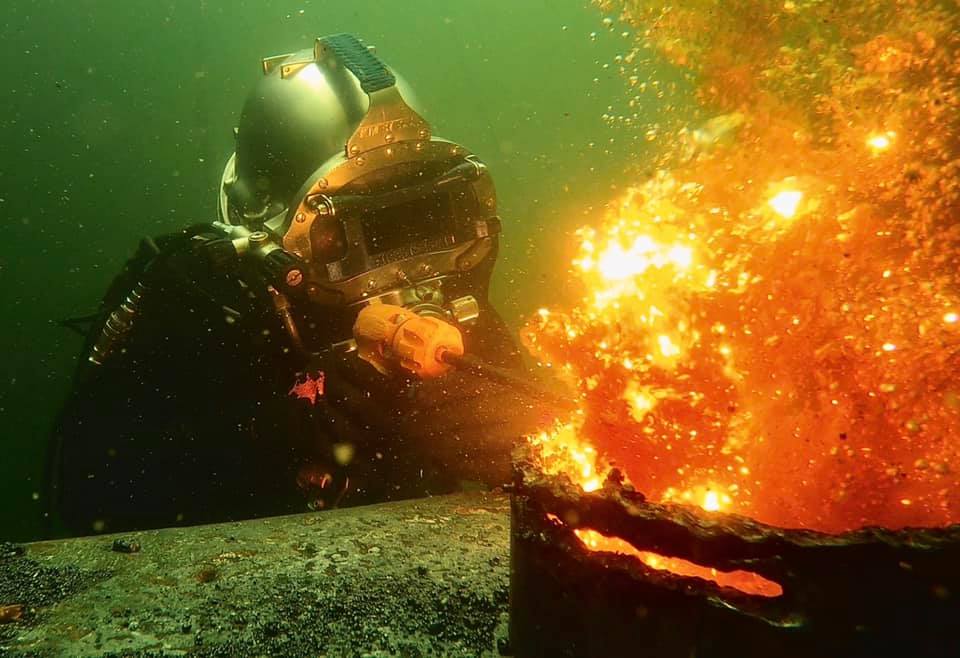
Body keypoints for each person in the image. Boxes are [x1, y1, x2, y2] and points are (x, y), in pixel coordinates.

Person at [49, 34, 555, 536]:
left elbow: (538, 441)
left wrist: (519, 447)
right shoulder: (201, 300)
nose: (406, 268)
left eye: (422, 217)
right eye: (348, 234)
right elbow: (86, 496)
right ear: (273, 220)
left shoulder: (448, 303)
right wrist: (276, 433)